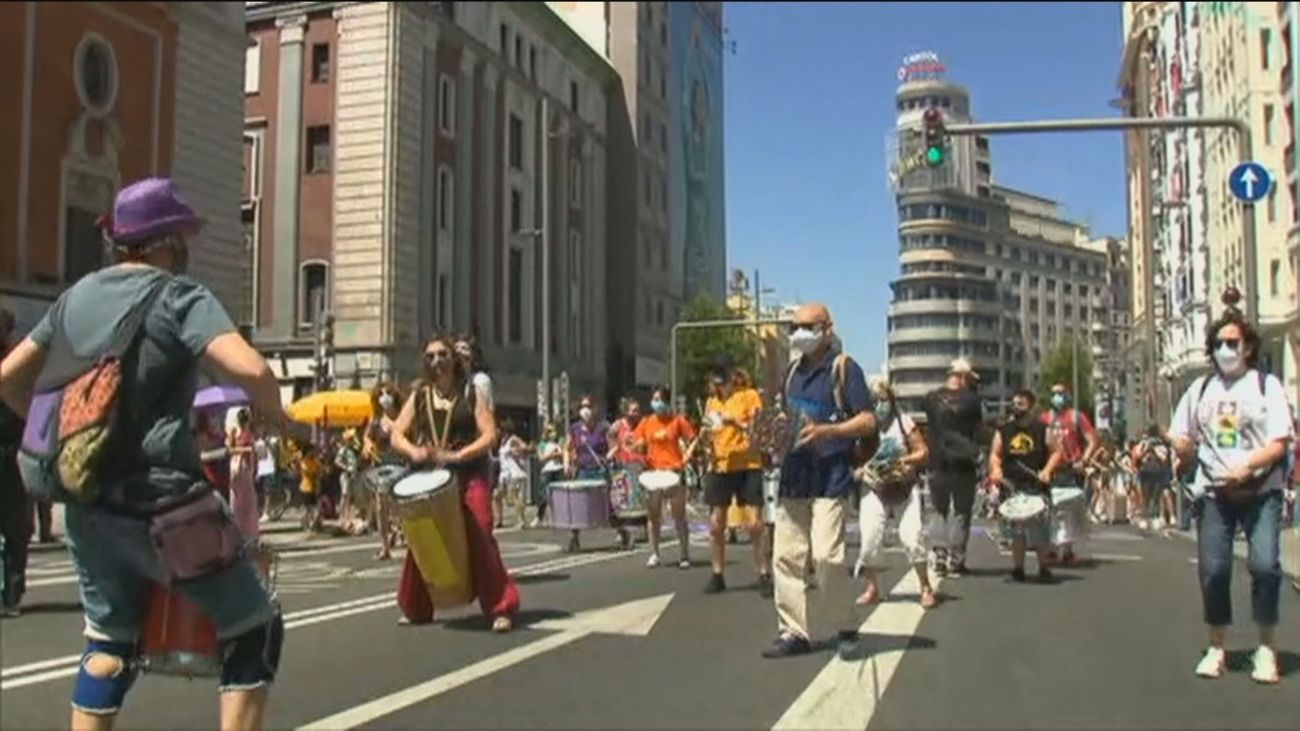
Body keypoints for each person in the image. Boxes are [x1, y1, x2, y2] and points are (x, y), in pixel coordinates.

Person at [0, 177, 296, 730]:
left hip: (88, 505)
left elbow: (9, 381)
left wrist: (57, 437)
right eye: (183, 234)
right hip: (166, 505)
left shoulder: (76, 297)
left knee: (109, 639)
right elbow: (251, 369)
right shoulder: (179, 294)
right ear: (166, 240)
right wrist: (276, 414)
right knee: (252, 625)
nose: (186, 246)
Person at [1167, 301, 1290, 684]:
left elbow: (1280, 442)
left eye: (1233, 343)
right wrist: (1182, 448)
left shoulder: (1265, 386)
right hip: (1215, 493)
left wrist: (1249, 466)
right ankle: (1217, 646)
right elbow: (1179, 433)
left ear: (1248, 347)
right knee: (1215, 570)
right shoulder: (1200, 388)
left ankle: (1266, 648)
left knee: (1266, 566)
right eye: (1219, 343)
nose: (1226, 350)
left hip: (1260, 491)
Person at [763, 303, 876, 660]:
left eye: (806, 327)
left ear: (827, 329)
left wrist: (828, 431)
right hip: (794, 477)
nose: (798, 334)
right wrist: (771, 437)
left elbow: (869, 421)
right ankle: (793, 632)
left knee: (827, 556)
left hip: (831, 475)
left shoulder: (844, 369)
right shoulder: (792, 371)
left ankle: (845, 624)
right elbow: (783, 416)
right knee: (786, 557)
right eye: (793, 327)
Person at [389, 335, 520, 632]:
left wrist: (460, 454)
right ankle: (416, 607)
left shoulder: (471, 393)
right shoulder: (420, 394)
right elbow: (397, 432)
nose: (437, 361)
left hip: (467, 473)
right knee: (422, 538)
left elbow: (489, 435)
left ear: (453, 359)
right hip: (429, 474)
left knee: (481, 530)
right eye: (431, 356)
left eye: (443, 355)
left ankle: (501, 607)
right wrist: (413, 451)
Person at [856, 377, 934, 608]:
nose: (879, 405)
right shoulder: (862, 426)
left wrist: (902, 461)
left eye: (883, 400)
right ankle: (872, 587)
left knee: (912, 537)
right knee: (869, 539)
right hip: (875, 487)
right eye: (874, 401)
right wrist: (859, 471)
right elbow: (852, 458)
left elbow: (923, 452)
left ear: (891, 400)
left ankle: (925, 585)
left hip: (904, 487)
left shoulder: (904, 423)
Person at [702, 367, 770, 596]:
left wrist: (735, 422)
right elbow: (708, 433)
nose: (719, 388)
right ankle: (717, 573)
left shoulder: (749, 396)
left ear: (731, 379)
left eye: (723, 383)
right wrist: (706, 440)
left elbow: (761, 430)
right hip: (720, 465)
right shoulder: (711, 402)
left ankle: (763, 572)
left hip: (748, 464)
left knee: (754, 523)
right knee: (716, 524)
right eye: (715, 383)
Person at [987, 390, 1063, 583]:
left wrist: (1046, 470)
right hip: (1012, 484)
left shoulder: (1042, 429)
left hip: (1036, 485)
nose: (1015, 407)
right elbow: (995, 454)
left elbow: (1056, 452)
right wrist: (995, 469)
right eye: (1014, 404)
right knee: (1016, 529)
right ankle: (1018, 568)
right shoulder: (1004, 430)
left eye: (1020, 404)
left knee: (1039, 528)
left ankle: (1044, 567)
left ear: (1031, 406)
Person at [922, 358, 984, 578]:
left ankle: (938, 556)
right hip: (963, 463)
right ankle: (956, 560)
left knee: (939, 510)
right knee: (961, 512)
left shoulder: (931, 398)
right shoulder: (972, 401)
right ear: (965, 376)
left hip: (938, 461)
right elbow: (978, 427)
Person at [632, 387, 698, 569]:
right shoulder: (647, 422)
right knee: (653, 516)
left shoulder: (677, 421)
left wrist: (686, 457)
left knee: (679, 515)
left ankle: (684, 554)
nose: (655, 402)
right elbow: (638, 442)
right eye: (653, 399)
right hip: (653, 473)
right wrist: (637, 447)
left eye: (658, 399)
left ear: (666, 401)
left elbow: (693, 438)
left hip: (673, 472)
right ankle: (655, 553)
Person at [1042, 383, 1099, 565]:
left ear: (1067, 396)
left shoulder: (1077, 417)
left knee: (1068, 510)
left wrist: (1084, 460)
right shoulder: (1045, 418)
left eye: (1061, 393)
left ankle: (1066, 550)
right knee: (1049, 510)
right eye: (1054, 393)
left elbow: (1092, 440)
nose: (1057, 397)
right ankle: (1050, 549)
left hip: (1070, 469)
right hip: (1050, 469)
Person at [0, 307, 29, 617]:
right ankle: (11, 593)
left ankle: (10, 593)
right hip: (12, 454)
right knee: (15, 529)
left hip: (11, 451)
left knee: (14, 528)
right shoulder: (16, 367)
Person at [564, 394, 612, 553]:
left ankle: (621, 531)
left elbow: (614, 446)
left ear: (595, 408)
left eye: (588, 406)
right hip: (582, 470)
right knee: (579, 505)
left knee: (606, 504)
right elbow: (567, 447)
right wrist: (567, 464)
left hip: (599, 470)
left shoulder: (603, 427)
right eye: (582, 406)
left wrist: (607, 458)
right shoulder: (575, 428)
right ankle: (574, 538)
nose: (585, 410)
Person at [364, 381, 404, 559]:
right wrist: (368, 444)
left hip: (401, 465)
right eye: (380, 394)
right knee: (381, 506)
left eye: (388, 393)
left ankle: (399, 530)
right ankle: (384, 546)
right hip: (381, 467)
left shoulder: (403, 417)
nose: (384, 397)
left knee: (400, 505)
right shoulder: (376, 421)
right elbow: (366, 436)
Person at [608, 396, 648, 545]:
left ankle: (644, 528)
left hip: (640, 465)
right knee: (622, 500)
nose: (636, 413)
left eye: (638, 410)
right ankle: (622, 531)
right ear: (626, 412)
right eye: (633, 410)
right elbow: (610, 437)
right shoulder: (618, 425)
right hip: (623, 465)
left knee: (641, 498)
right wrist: (614, 449)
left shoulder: (643, 424)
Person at [1133, 425, 1175, 530]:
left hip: (1148, 470)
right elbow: (1164, 458)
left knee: (1148, 496)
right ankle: (1151, 518)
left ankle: (1147, 518)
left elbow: (1137, 456)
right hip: (1154, 471)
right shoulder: (1157, 444)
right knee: (1154, 496)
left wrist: (1150, 451)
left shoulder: (1146, 443)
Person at [228, 408, 260, 539]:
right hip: (243, 467)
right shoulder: (245, 434)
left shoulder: (237, 433)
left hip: (238, 466)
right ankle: (246, 530)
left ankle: (241, 528)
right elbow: (251, 453)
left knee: (239, 499)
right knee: (245, 499)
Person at [496, 419, 531, 528]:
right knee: (497, 495)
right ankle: (499, 520)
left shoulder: (513, 439)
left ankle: (522, 520)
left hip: (513, 471)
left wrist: (516, 451)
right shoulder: (502, 441)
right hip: (504, 472)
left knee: (515, 495)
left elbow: (525, 447)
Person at [531, 422, 565, 528]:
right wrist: (551, 455)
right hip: (547, 470)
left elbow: (563, 454)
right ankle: (539, 517)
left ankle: (558, 518)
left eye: (553, 431)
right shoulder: (542, 445)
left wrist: (560, 454)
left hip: (558, 469)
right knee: (543, 495)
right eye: (550, 431)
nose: (552, 433)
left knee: (559, 495)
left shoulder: (558, 444)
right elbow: (541, 458)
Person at [334, 428, 363, 534]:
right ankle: (342, 515)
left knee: (351, 496)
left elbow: (357, 460)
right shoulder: (343, 450)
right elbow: (337, 461)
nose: (352, 440)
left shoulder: (354, 449)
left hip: (354, 475)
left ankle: (348, 516)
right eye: (350, 439)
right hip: (346, 474)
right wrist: (346, 467)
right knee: (345, 494)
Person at [297, 442, 323, 533]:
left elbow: (320, 470)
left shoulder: (315, 461)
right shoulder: (304, 461)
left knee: (315, 508)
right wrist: (315, 473)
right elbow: (307, 472)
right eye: (312, 451)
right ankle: (305, 523)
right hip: (305, 488)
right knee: (308, 508)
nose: (313, 452)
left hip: (314, 487)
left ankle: (312, 524)